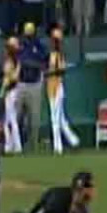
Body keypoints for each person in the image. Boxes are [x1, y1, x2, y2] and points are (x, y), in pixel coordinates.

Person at [45, 27, 79, 155]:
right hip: (51, 87)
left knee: (55, 118)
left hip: (57, 87)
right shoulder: (52, 54)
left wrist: (49, 72)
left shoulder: (58, 55)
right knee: (61, 118)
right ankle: (74, 140)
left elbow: (61, 70)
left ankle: (57, 147)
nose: (52, 42)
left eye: (54, 40)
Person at [16, 22, 46, 150]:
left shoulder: (38, 45)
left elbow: (43, 62)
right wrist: (30, 63)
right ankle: (18, 144)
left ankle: (33, 144)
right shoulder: (20, 45)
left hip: (35, 84)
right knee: (17, 117)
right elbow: (20, 60)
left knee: (34, 119)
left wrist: (32, 64)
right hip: (21, 84)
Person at [0, 36, 23, 154]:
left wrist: (5, 91)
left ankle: (17, 146)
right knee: (6, 121)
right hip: (9, 91)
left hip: (12, 91)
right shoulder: (9, 60)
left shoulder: (15, 61)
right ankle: (9, 146)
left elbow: (14, 79)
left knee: (11, 120)